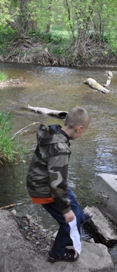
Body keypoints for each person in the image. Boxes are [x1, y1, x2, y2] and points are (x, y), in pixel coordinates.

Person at [26, 106, 91, 263]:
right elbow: (57, 184)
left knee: (77, 213)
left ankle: (79, 219)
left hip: (43, 180)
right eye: (84, 131)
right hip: (44, 189)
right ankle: (56, 254)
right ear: (79, 128)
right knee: (69, 220)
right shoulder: (60, 149)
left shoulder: (52, 131)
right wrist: (66, 211)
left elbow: (57, 180)